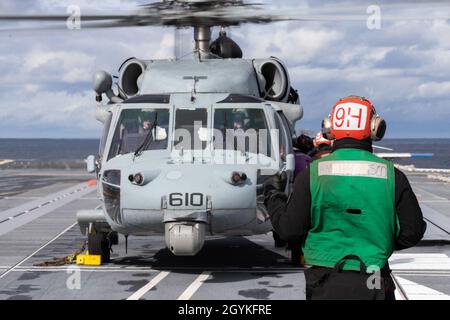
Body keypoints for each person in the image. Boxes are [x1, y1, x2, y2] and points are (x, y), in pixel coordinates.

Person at [264, 95, 426, 300]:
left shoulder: (313, 173)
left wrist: (273, 197)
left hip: (324, 282)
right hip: (374, 278)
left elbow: (288, 229)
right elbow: (412, 232)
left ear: (330, 128)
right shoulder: (392, 176)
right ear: (375, 127)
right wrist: (380, 242)